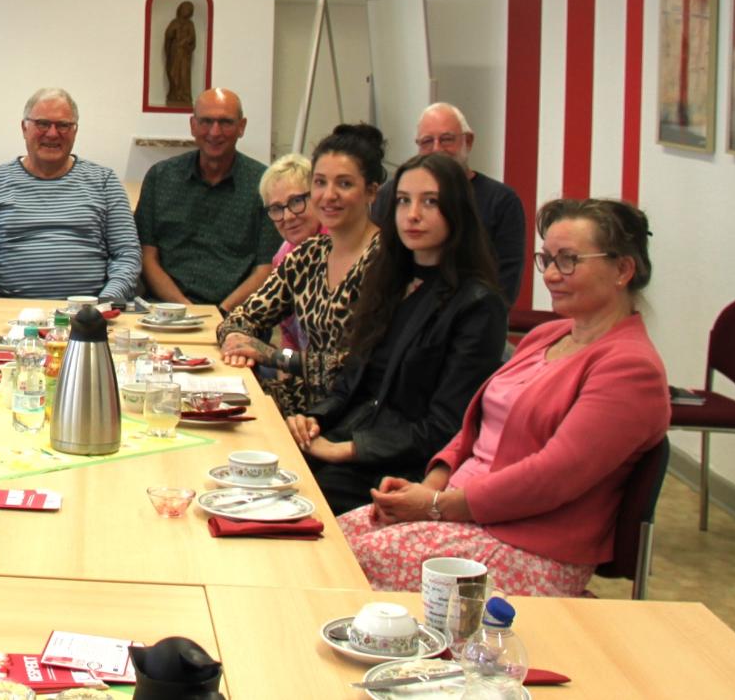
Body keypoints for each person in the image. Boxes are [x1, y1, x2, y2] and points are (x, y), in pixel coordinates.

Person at [337, 198, 670, 597]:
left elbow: (551, 477)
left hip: (529, 547)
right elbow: (475, 428)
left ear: (622, 270)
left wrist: (437, 505)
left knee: (344, 564)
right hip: (465, 515)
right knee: (324, 540)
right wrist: (430, 487)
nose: (550, 275)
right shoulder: (547, 336)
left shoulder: (631, 370)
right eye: (546, 259)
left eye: (568, 260)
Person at [289, 153, 508, 514]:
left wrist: (349, 449)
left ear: (457, 211)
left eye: (430, 202)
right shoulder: (391, 279)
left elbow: (446, 425)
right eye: (404, 201)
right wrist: (314, 420)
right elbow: (350, 383)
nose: (413, 214)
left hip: (399, 468)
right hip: (348, 439)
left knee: (297, 505)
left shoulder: (478, 305)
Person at [216, 123, 385, 415]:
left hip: (354, 419)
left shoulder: (385, 261)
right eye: (320, 183)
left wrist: (272, 355)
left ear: (371, 192)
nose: (328, 195)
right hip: (300, 406)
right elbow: (242, 317)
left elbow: (363, 371)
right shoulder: (307, 256)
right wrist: (235, 339)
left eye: (344, 184)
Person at [0, 88, 141, 301]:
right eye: (42, 124)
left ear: (75, 131)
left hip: (90, 316)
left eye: (63, 125)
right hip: (10, 316)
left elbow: (127, 255)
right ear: (24, 128)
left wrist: (104, 304)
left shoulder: (104, 182)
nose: (53, 133)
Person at [137, 88, 281, 314]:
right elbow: (147, 257)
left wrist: (220, 312)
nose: (215, 132)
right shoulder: (161, 177)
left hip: (236, 314)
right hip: (164, 311)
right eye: (206, 121)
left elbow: (266, 267)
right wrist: (185, 310)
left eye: (225, 122)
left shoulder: (265, 185)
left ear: (241, 127)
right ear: (193, 125)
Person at [369, 103, 527, 304]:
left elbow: (505, 284)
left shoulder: (502, 201)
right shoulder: (389, 194)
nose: (437, 149)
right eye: (427, 141)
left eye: (446, 139)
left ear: (468, 142)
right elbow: (379, 264)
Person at [259, 152, 320, 352]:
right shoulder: (283, 256)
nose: (288, 216)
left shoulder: (338, 249)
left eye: (296, 202)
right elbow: (288, 336)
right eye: (276, 208)